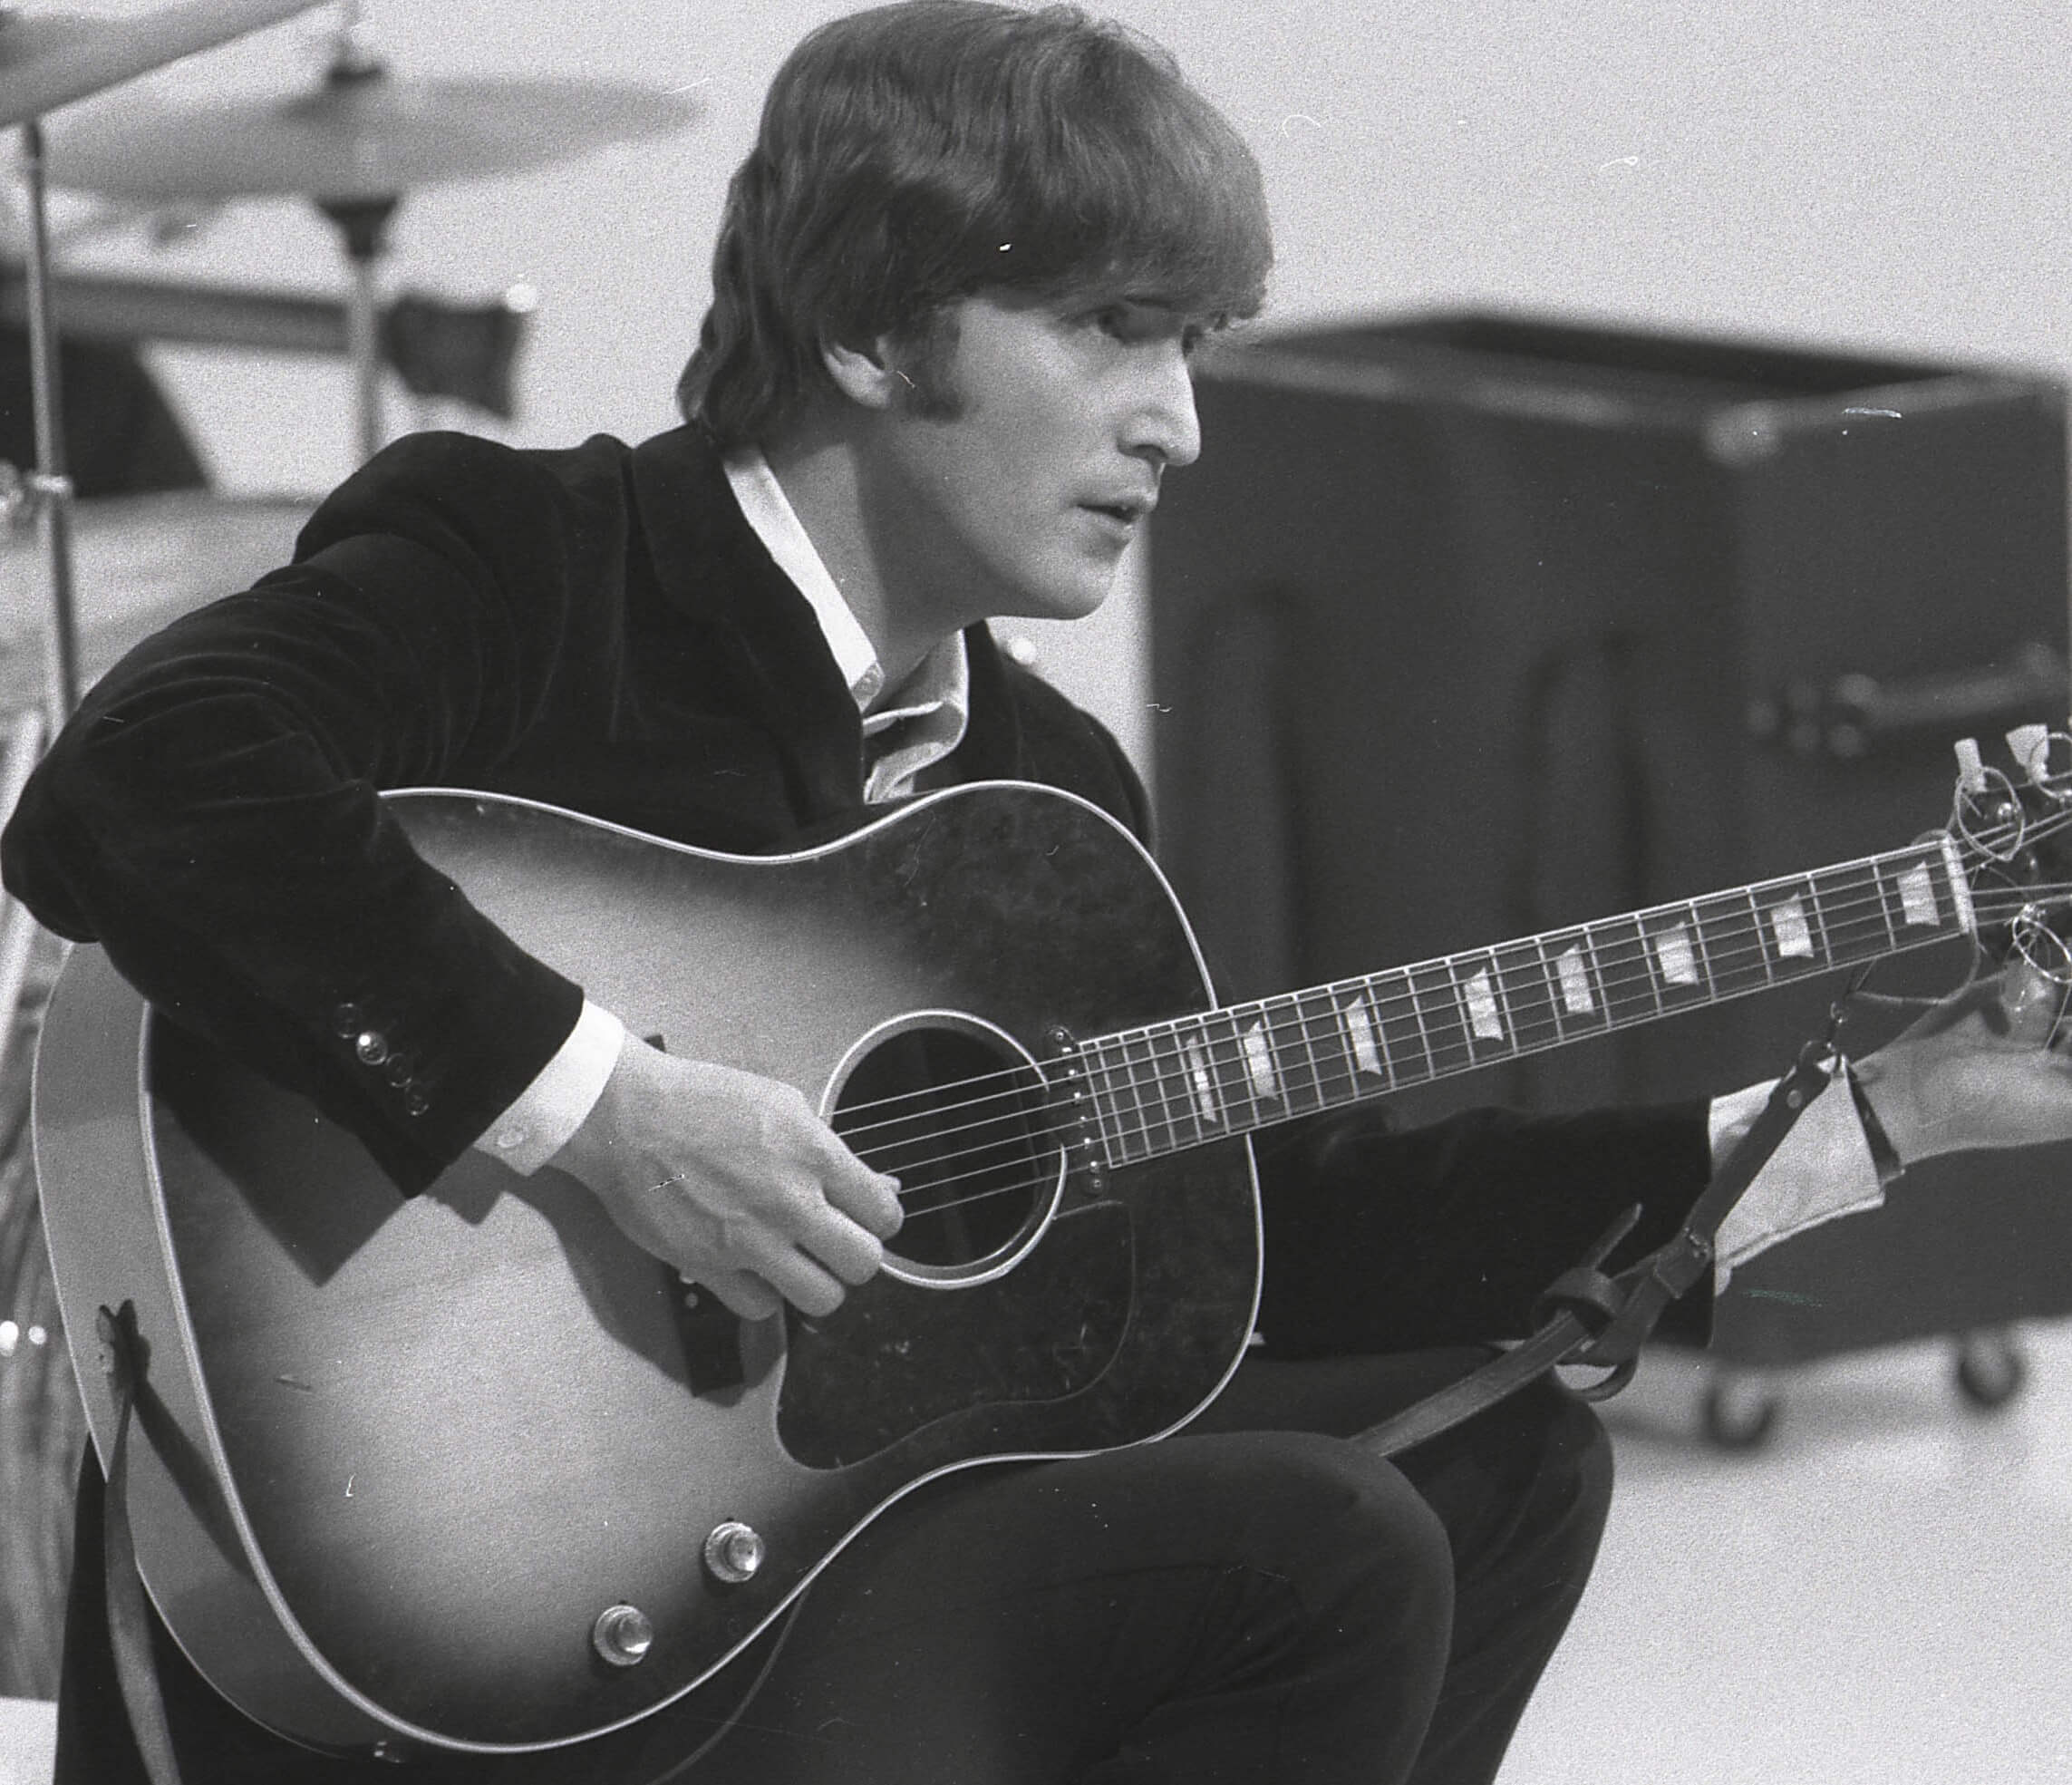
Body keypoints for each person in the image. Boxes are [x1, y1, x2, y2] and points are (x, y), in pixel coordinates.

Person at [7, 5, 2072, 1781]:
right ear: (866, 325)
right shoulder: (531, 564)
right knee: (1316, 1547)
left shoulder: (1045, 787)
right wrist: (610, 1115)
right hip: (444, 1640)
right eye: (1114, 332)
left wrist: (1889, 1117)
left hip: (821, 1590)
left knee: (1505, 1464)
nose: (1178, 423)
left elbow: (1263, 1245)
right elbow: (139, 783)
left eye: (1198, 344)